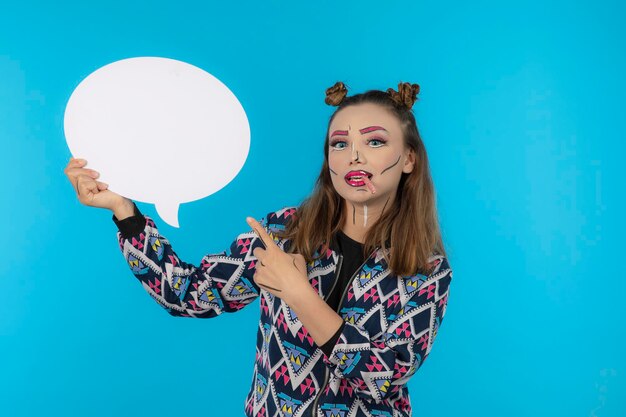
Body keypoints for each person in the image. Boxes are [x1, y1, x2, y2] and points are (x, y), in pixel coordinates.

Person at [64, 81, 453, 417]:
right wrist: (124, 213)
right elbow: (188, 295)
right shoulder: (285, 232)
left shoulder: (427, 269)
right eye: (340, 143)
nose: (354, 155)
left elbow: (382, 377)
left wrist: (300, 295)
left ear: (408, 159)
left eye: (374, 141)